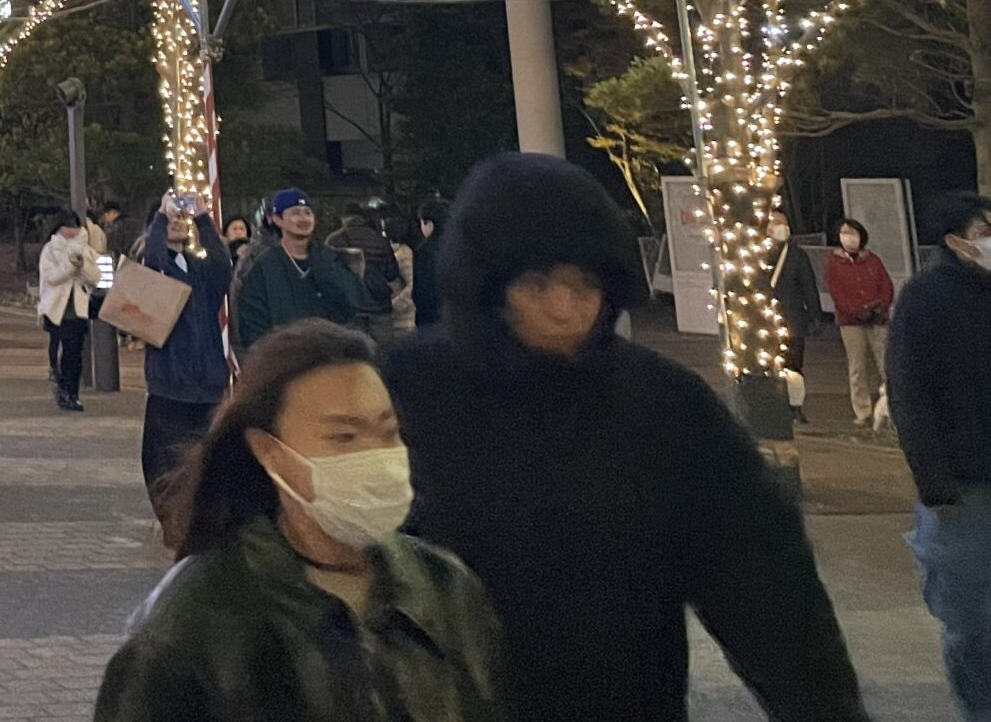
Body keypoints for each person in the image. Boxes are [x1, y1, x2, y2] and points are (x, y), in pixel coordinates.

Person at [388, 152, 865, 722]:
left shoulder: (663, 403)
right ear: (488, 285)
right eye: (537, 284)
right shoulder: (405, 395)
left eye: (584, 285)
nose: (565, 310)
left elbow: (764, 584)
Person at [95, 319, 508, 722]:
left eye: (388, 433)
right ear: (270, 452)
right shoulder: (196, 619)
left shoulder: (445, 589)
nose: (375, 456)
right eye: (343, 437)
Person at [890, 191, 991, 722]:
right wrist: (934, 481)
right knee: (972, 617)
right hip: (963, 486)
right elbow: (909, 392)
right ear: (956, 241)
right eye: (985, 230)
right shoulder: (925, 298)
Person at [138, 189, 232, 510]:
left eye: (182, 218)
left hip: (208, 385)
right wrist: (160, 217)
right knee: (165, 468)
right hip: (170, 385)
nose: (178, 223)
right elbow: (153, 262)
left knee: (208, 469)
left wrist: (203, 218)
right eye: (171, 219)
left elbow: (222, 267)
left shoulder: (199, 270)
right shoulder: (155, 267)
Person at [234, 188, 362, 353]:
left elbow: (352, 302)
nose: (303, 218)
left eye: (307, 213)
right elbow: (252, 321)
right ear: (277, 219)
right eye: (295, 213)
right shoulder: (263, 266)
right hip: (284, 356)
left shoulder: (329, 258)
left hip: (329, 355)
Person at [824, 216, 894, 432]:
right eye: (844, 233)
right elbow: (837, 293)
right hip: (850, 323)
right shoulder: (833, 263)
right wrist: (857, 311)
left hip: (878, 319)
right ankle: (862, 410)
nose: (849, 238)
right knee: (857, 367)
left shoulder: (873, 260)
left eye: (852, 233)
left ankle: (893, 406)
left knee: (886, 364)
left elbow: (886, 287)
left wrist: (878, 307)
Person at [39, 209, 101, 412]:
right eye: (68, 226)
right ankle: (60, 386)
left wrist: (82, 267)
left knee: (74, 353)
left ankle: (71, 392)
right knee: (57, 349)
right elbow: (52, 277)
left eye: (75, 226)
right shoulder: (50, 249)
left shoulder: (86, 250)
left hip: (78, 309)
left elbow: (96, 277)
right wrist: (70, 266)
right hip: (55, 308)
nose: (72, 231)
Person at [326, 201, 404, 348]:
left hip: (350, 306)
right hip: (380, 304)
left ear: (344, 218)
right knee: (385, 351)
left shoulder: (334, 240)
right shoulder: (380, 240)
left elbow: (328, 277)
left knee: (354, 352)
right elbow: (392, 273)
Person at [766, 211, 824, 402]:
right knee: (771, 364)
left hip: (793, 319)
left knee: (793, 365)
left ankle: (795, 403)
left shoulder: (797, 255)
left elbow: (809, 287)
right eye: (775, 223)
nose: (781, 227)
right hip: (767, 320)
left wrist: (815, 314)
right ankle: (776, 401)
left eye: (784, 223)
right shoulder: (758, 255)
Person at [411, 199, 447, 330]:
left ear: (429, 224)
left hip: (431, 317)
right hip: (454, 314)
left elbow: (421, 289)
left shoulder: (424, 250)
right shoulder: (457, 245)